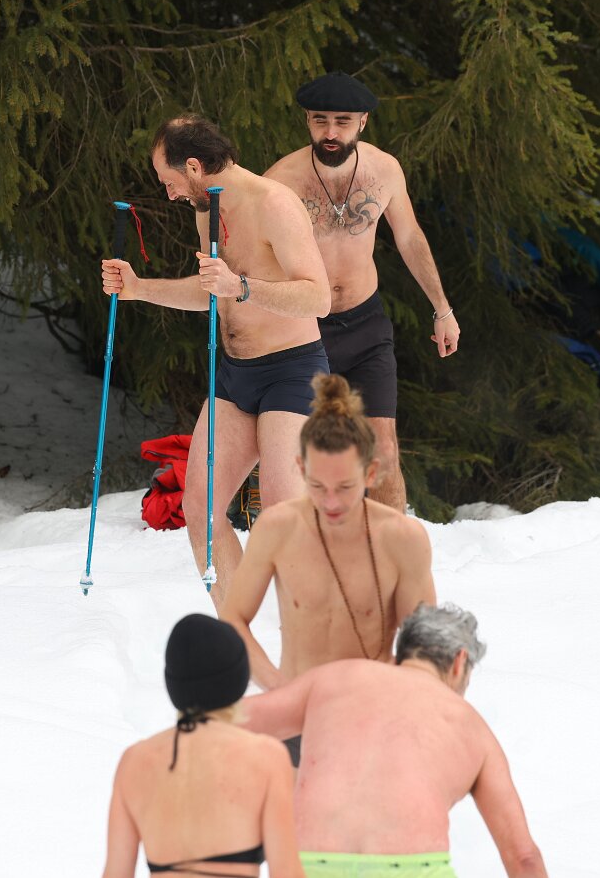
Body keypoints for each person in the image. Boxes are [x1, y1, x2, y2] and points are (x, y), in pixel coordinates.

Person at [102, 115, 331, 606]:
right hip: (235, 375)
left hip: (291, 372)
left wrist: (241, 286)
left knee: (282, 515)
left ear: (193, 166)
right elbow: (212, 292)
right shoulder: (207, 207)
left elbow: (318, 298)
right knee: (200, 509)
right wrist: (139, 289)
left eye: (168, 181)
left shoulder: (274, 204)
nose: (168, 194)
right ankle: (236, 632)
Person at [263, 73, 458, 513]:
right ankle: (307, 543)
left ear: (363, 122)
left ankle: (389, 545)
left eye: (342, 122)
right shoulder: (280, 181)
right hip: (303, 330)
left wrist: (442, 309)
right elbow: (256, 256)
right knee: (300, 454)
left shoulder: (384, 170)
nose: (330, 133)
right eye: (320, 120)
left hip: (366, 325)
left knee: (383, 448)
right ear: (307, 120)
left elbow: (409, 237)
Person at [239, 604, 547, 878]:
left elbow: (232, 719)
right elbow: (524, 858)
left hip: (309, 866)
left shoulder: (335, 679)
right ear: (459, 662)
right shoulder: (473, 728)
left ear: (402, 654)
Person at [221, 373, 435, 763]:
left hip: (372, 715)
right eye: (318, 487)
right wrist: (277, 687)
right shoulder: (277, 528)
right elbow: (234, 619)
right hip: (297, 714)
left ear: (370, 474)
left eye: (345, 487)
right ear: (301, 469)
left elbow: (425, 642)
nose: (331, 502)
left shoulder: (403, 539)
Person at [102, 613, 303, 878]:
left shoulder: (135, 761)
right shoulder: (266, 757)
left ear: (173, 683)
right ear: (238, 679)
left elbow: (115, 873)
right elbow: (287, 872)